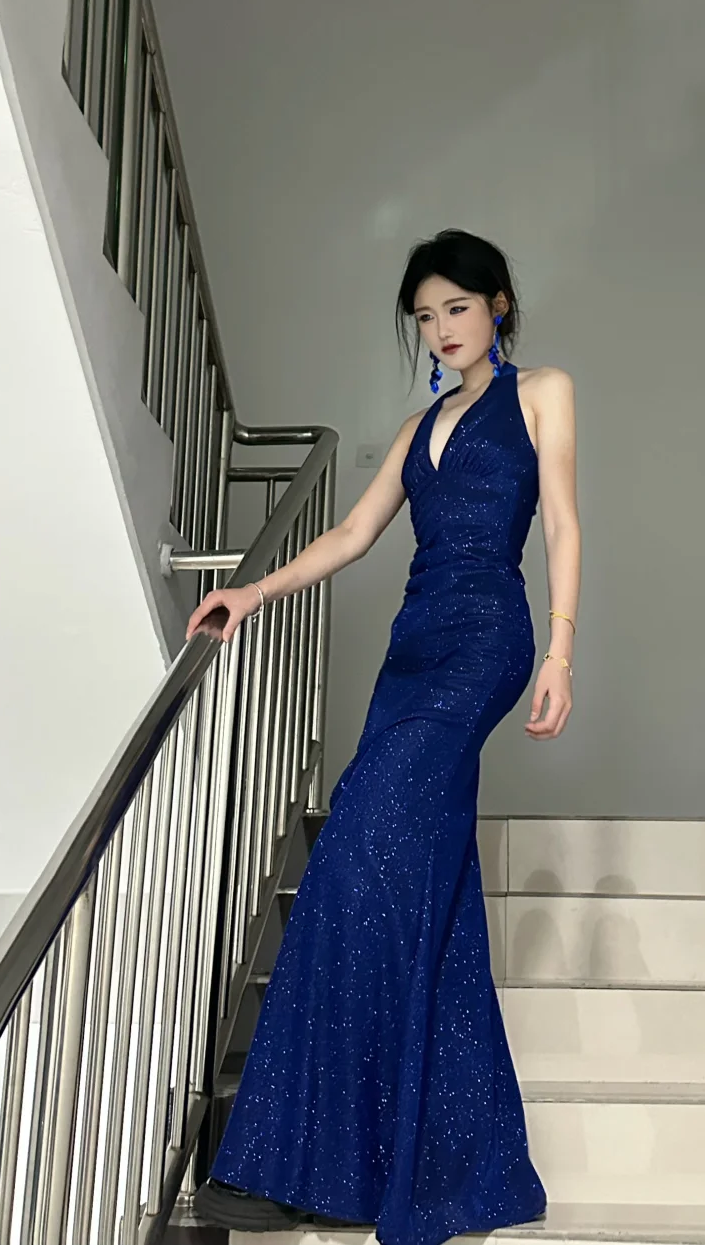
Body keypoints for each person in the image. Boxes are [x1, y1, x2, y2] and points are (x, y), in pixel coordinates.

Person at [189, 229, 580, 1243]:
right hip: (410, 649)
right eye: (425, 316)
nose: (442, 329)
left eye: (457, 307)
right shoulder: (416, 428)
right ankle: (430, 1154)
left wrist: (561, 650)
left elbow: (563, 524)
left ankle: (305, 1165)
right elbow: (351, 535)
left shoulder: (543, 392)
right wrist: (251, 591)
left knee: (357, 851)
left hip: (485, 638)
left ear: (498, 305)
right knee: (414, 884)